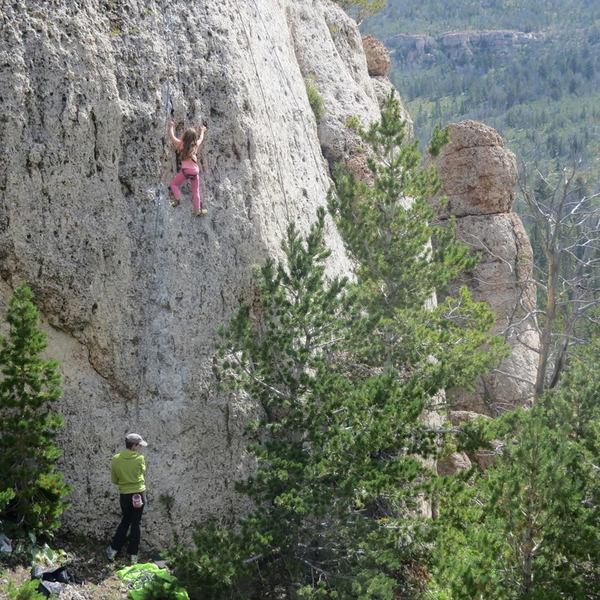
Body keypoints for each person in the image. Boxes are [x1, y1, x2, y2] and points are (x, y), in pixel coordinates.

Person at [106, 433, 148, 565]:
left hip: (124, 494)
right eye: (139, 445)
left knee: (125, 521)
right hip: (138, 494)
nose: (140, 448)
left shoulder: (116, 458)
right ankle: (133, 556)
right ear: (134, 445)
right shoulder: (140, 458)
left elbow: (114, 480)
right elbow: (142, 473)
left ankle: (113, 550)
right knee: (136, 524)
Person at [168, 120, 208, 216]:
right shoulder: (195, 145)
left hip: (185, 171)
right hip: (195, 171)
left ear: (185, 136)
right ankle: (197, 210)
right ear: (194, 138)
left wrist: (171, 126)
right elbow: (201, 138)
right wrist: (202, 130)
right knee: (196, 191)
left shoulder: (181, 144)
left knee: (173, 184)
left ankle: (178, 198)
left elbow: (172, 137)